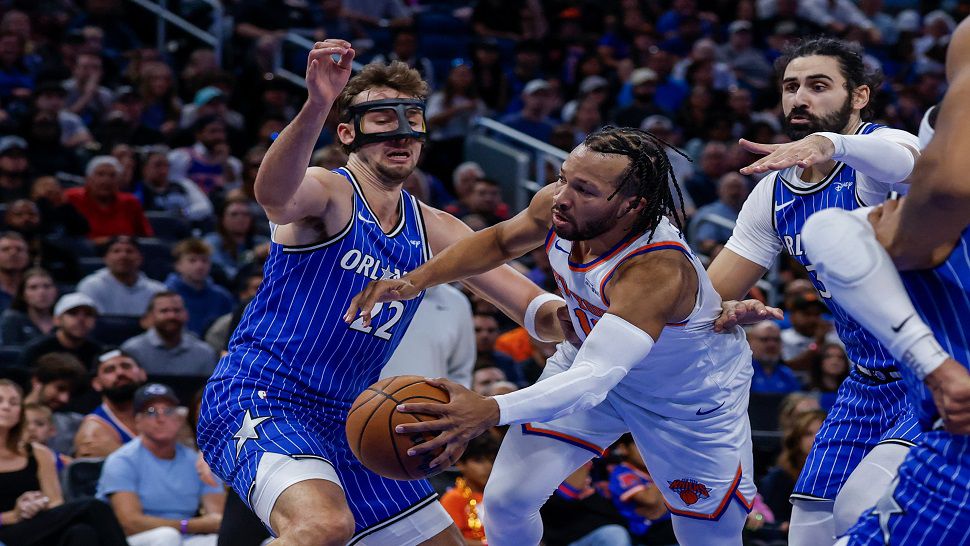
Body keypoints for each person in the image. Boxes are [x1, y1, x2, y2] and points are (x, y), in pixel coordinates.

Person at [196, 42, 566, 546]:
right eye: (381, 118)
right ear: (347, 133)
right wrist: (317, 105)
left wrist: (602, 311)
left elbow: (536, 311)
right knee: (321, 527)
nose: (399, 132)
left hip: (352, 417)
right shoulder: (330, 192)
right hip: (263, 396)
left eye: (410, 118)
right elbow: (275, 197)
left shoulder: (435, 227)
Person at [348, 125, 782, 545]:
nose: (563, 198)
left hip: (685, 401)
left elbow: (596, 377)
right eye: (563, 178)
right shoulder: (559, 204)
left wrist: (489, 409)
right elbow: (498, 242)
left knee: (708, 537)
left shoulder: (656, 268)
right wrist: (414, 281)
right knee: (506, 501)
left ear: (634, 205)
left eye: (586, 190)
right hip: (590, 364)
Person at [705, 37, 922, 545]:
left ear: (860, 96)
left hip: (937, 370)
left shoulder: (879, 152)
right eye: (790, 87)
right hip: (867, 381)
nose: (800, 98)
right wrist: (726, 308)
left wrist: (831, 144)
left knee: (860, 509)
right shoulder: (774, 192)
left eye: (818, 86)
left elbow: (908, 161)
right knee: (808, 527)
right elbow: (710, 296)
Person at [800, 19, 970, 543]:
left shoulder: (931, 209)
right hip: (880, 388)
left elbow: (829, 230)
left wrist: (937, 370)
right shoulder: (933, 216)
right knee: (822, 513)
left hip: (947, 449)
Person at [0, 379, 129, 546]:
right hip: (5, 531)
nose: (6, 407)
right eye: (0, 400)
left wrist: (39, 504)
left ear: (20, 412)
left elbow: (55, 502)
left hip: (33, 525)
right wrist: (14, 515)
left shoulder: (39, 453)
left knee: (82, 533)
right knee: (93, 507)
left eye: (14, 402)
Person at [97, 383, 224, 546]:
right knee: (166, 537)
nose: (161, 418)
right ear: (137, 421)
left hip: (187, 538)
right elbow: (129, 523)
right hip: (131, 539)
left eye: (169, 411)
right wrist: (187, 525)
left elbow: (217, 520)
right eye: (151, 412)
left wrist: (194, 527)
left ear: (179, 419)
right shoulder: (122, 460)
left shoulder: (196, 461)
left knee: (217, 542)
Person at [381, 284, 476, 387]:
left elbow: (460, 372)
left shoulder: (457, 301)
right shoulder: (368, 284)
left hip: (429, 400)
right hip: (367, 398)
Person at [759, 410, 827, 540]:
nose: (815, 438)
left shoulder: (839, 474)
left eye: (820, 431)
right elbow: (766, 523)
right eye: (808, 434)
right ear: (797, 439)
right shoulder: (780, 477)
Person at [121, 292, 218, 377]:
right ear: (150, 316)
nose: (171, 316)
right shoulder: (132, 350)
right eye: (164, 311)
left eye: (177, 310)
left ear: (186, 315)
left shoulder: (205, 353)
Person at [65, 156, 154, 244]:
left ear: (119, 181)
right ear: (88, 179)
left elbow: (145, 238)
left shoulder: (130, 202)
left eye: (112, 175)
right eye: (100, 174)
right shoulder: (71, 198)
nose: (106, 180)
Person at [74, 348, 146, 458]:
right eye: (109, 370)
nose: (120, 372)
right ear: (97, 383)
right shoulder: (93, 433)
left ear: (142, 373)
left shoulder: (158, 413)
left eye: (126, 366)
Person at [608, 434, 676, 546]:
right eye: (640, 445)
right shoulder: (622, 473)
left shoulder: (649, 470)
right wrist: (662, 470)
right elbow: (650, 500)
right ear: (623, 449)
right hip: (649, 532)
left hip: (669, 524)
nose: (648, 451)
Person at [76, 236, 166, 318]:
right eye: (116, 251)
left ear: (140, 258)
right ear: (105, 258)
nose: (123, 256)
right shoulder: (91, 285)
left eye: (129, 251)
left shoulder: (157, 290)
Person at [164, 238, 235, 337]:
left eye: (204, 260)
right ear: (178, 265)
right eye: (192, 260)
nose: (199, 266)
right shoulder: (165, 293)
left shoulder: (222, 296)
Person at [439, 434, 499, 544]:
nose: (488, 467)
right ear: (461, 464)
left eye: (491, 460)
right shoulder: (452, 499)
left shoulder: (503, 494)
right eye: (479, 460)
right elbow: (449, 541)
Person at [19, 293, 103, 369]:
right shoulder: (37, 351)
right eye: (73, 313)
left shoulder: (98, 352)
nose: (81, 319)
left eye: (88, 314)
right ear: (57, 320)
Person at [0, 267, 57, 346]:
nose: (42, 292)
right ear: (23, 294)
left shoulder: (66, 319)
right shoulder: (12, 319)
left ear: (56, 291)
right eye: (33, 288)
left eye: (47, 286)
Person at [748, 322, 804, 394]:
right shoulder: (743, 371)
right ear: (750, 342)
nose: (772, 345)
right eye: (765, 339)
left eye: (776, 340)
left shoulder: (786, 374)